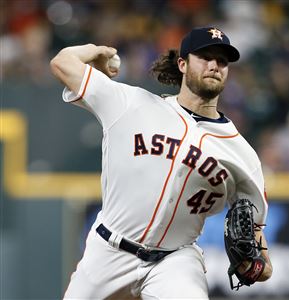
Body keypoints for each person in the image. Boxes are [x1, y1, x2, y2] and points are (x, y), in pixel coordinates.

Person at [50, 26, 273, 299]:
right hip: (109, 249)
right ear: (182, 63)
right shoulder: (130, 104)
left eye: (222, 61)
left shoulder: (242, 153)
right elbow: (62, 63)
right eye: (205, 56)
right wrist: (95, 51)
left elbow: (256, 232)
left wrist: (261, 266)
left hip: (175, 261)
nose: (214, 65)